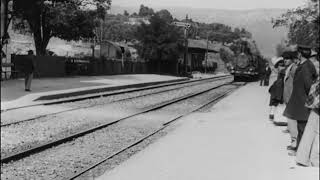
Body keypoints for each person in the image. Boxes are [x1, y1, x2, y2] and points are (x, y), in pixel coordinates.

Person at [283, 45, 318, 156]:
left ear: (300, 54)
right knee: (300, 126)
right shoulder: (304, 65)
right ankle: (299, 149)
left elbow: (309, 86)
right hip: (300, 101)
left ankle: (301, 152)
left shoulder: (306, 66)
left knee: (303, 127)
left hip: (303, 102)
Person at [282, 51, 299, 150]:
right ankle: (294, 141)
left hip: (292, 98)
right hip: (289, 98)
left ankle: (294, 143)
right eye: (284, 59)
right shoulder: (289, 68)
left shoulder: (294, 69)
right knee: (291, 120)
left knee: (292, 121)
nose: (285, 60)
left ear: (292, 59)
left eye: (287, 59)